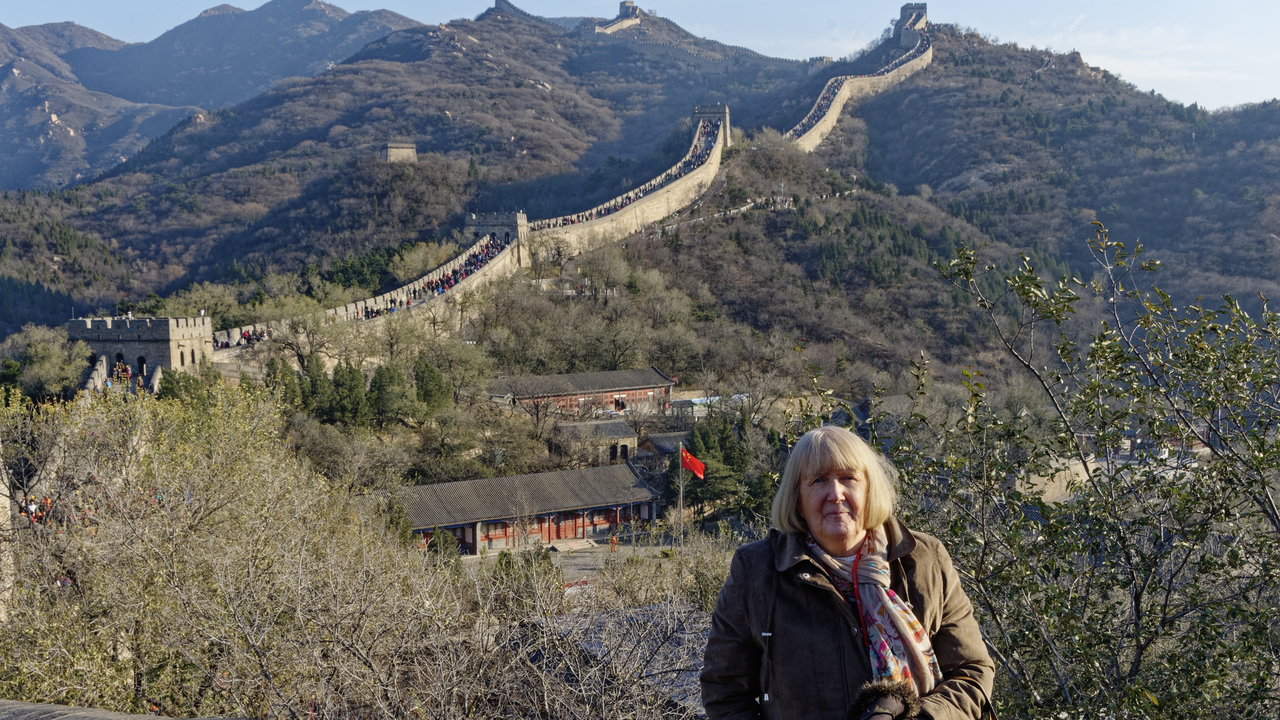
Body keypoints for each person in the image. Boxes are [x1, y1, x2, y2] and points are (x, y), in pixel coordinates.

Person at [701, 426, 993, 720]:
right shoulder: (757, 571)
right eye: (818, 480)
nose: (835, 494)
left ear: (869, 489)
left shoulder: (924, 558)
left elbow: (972, 672)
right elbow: (725, 690)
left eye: (848, 478)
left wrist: (923, 717)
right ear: (797, 499)